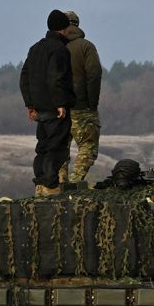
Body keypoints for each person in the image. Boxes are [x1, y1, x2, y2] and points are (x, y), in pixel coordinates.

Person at [20, 9, 77, 196]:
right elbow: (56, 78)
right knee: (56, 148)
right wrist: (61, 103)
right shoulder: (60, 50)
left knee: (42, 147)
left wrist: (30, 105)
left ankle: (40, 185)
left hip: (39, 110)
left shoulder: (35, 48)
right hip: (55, 109)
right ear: (64, 29)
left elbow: (24, 77)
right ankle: (51, 186)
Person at [59, 10, 102, 185]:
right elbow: (94, 74)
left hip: (57, 108)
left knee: (61, 146)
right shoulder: (86, 46)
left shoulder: (54, 47)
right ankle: (76, 182)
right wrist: (91, 104)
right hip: (81, 106)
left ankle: (60, 183)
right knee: (87, 145)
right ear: (77, 24)